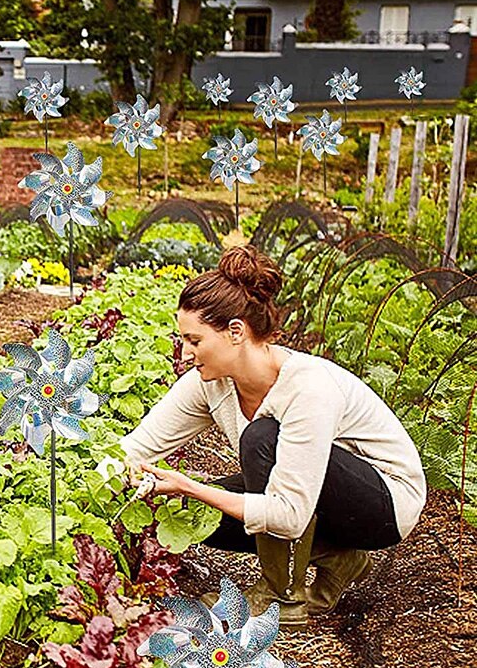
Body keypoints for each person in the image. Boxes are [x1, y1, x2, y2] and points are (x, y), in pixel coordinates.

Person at [100, 245, 426, 627]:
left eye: (194, 340)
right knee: (195, 516)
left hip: (382, 503)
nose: (184, 353)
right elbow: (136, 448)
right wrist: (92, 482)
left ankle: (281, 597)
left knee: (261, 438)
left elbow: (288, 514)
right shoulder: (209, 383)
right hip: (311, 493)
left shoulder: (307, 388)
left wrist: (189, 485)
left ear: (235, 332)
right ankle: (339, 558)